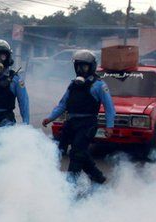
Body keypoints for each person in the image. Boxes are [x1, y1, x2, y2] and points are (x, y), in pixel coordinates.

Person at [42, 50, 114, 186]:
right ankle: (97, 177)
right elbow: (63, 104)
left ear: (91, 67)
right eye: (78, 66)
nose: (81, 70)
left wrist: (109, 126)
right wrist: (50, 118)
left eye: (84, 66)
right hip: (71, 122)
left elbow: (109, 107)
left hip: (87, 123)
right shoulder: (73, 85)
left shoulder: (99, 85)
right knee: (63, 150)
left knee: (77, 154)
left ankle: (70, 185)